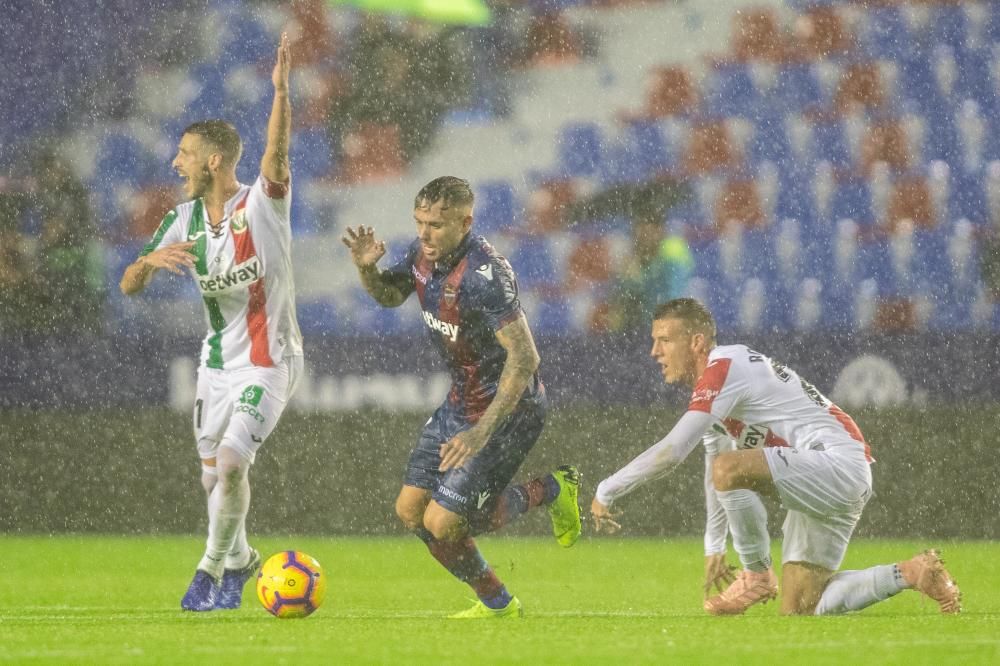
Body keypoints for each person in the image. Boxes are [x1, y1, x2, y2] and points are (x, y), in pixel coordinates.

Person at [591, 298, 961, 616]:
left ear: (697, 342)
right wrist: (714, 545)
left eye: (664, 340)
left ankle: (756, 574)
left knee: (730, 469)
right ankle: (911, 573)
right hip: (823, 473)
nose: (655, 352)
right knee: (802, 605)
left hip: (837, 462)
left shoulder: (724, 368)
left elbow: (676, 451)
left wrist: (607, 489)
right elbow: (713, 470)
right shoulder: (717, 394)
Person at [341, 176, 581, 619]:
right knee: (411, 511)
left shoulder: (486, 274)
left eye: (436, 224)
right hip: (460, 402)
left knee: (445, 522)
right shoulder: (421, 254)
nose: (424, 233)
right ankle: (498, 603)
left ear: (465, 221)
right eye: (419, 222)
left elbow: (525, 358)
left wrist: (479, 432)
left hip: (508, 410)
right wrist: (366, 269)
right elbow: (392, 297)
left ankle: (550, 488)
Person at [119, 34, 303, 612]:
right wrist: (146, 263)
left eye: (186, 153)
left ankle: (208, 571)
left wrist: (280, 92)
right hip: (217, 364)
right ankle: (244, 559)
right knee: (212, 480)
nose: (176, 163)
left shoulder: (261, 206)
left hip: (270, 361)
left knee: (230, 464)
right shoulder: (182, 220)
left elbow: (277, 153)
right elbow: (127, 283)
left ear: (214, 160)